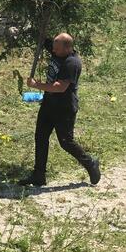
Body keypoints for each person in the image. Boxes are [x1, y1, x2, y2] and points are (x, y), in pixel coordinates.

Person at [22, 33, 100, 188]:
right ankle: (39, 175)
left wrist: (36, 85)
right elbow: (43, 36)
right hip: (49, 104)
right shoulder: (58, 48)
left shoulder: (72, 63)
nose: (54, 52)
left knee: (66, 142)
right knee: (41, 137)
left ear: (68, 48)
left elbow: (60, 87)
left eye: (57, 50)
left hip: (64, 108)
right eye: (53, 48)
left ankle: (91, 164)